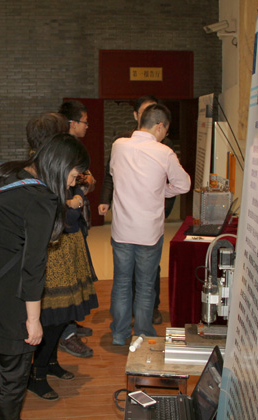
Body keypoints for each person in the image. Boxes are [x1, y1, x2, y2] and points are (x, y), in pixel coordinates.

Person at [0, 134, 90, 419]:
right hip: (9, 301)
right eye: (74, 175)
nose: (72, 184)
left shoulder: (3, 171)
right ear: (62, 166)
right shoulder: (41, 199)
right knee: (12, 381)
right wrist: (34, 320)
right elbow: (33, 266)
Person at [23, 118, 98, 400]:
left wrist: (77, 196)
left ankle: (50, 363)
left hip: (65, 248)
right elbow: (65, 216)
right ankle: (37, 373)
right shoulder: (41, 171)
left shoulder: (55, 168)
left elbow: (83, 186)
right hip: (53, 253)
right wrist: (74, 202)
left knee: (61, 315)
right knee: (53, 316)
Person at [109, 104, 191, 345]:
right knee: (145, 286)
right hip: (149, 232)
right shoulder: (164, 152)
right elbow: (184, 184)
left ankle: (119, 334)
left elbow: (114, 174)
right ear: (160, 126)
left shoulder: (118, 145)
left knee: (121, 283)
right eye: (165, 130)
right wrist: (161, 190)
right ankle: (142, 334)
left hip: (122, 229)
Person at [98, 95, 174, 325]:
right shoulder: (122, 143)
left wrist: (160, 201)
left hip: (141, 224)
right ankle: (142, 330)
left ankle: (130, 325)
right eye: (145, 112)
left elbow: (171, 183)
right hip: (139, 227)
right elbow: (110, 175)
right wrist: (106, 199)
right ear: (137, 115)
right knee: (139, 282)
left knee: (139, 279)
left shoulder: (161, 147)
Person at [57, 100, 96, 358]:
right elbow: (84, 180)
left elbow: (88, 179)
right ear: (72, 123)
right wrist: (82, 189)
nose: (87, 126)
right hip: (65, 224)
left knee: (77, 276)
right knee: (67, 282)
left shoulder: (73, 148)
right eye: (84, 121)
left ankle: (69, 323)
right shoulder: (62, 151)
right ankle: (65, 332)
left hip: (75, 219)